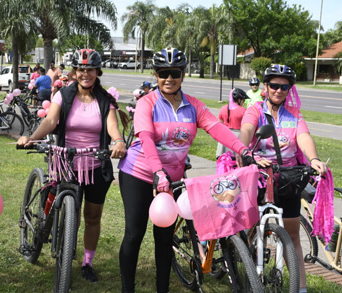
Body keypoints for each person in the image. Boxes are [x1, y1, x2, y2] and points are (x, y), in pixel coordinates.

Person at [117, 48, 250, 293]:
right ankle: (128, 289)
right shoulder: (148, 103)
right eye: (163, 73)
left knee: (165, 238)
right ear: (156, 75)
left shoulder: (193, 106)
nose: (169, 78)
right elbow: (145, 138)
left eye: (174, 73)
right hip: (139, 172)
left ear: (183, 74)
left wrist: (243, 150)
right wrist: (157, 171)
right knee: (134, 234)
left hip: (173, 179)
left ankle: (162, 290)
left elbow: (216, 128)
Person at [18, 48, 129, 283]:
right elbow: (50, 120)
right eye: (81, 69)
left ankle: (87, 262)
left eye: (90, 70)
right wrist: (32, 138)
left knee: (92, 216)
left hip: (97, 164)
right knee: (72, 214)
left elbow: (112, 126)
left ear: (97, 72)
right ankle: (66, 249)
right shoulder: (63, 96)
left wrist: (118, 141)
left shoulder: (104, 101)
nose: (85, 73)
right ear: (75, 71)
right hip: (67, 162)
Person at [238, 64, 328, 293]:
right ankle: (249, 264)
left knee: (293, 235)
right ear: (265, 87)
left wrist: (314, 159)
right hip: (258, 174)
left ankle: (301, 288)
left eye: (284, 87)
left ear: (289, 89)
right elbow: (247, 131)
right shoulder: (255, 110)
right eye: (274, 85)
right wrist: (245, 152)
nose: (279, 90)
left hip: (287, 178)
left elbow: (304, 137)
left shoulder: (294, 114)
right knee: (251, 227)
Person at [216, 88, 249, 158]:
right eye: (243, 100)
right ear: (239, 100)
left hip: (224, 135)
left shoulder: (223, 108)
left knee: (223, 160)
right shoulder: (243, 111)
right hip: (237, 136)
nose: (243, 102)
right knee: (235, 161)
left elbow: (220, 123)